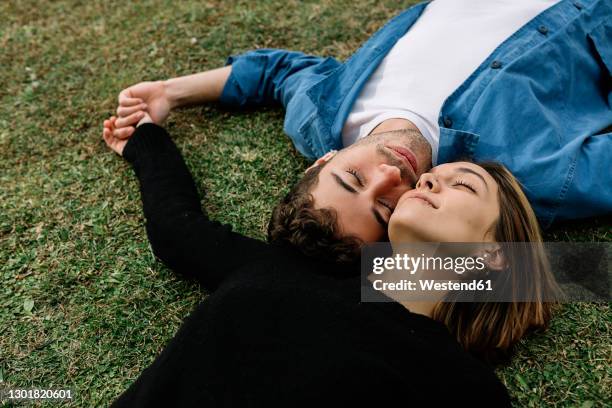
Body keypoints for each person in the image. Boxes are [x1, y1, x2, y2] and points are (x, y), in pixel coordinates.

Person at [102, 112, 557, 407]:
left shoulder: (464, 387)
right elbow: (178, 231)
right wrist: (146, 139)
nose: (425, 182)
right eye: (427, 180)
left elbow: (575, 272)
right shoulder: (293, 268)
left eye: (462, 186)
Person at [109, 0, 612, 251]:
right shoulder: (522, 179)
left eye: (353, 178)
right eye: (388, 208)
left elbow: (275, 73)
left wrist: (171, 92)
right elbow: (579, 273)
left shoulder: (319, 119)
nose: (391, 176)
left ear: (324, 159)